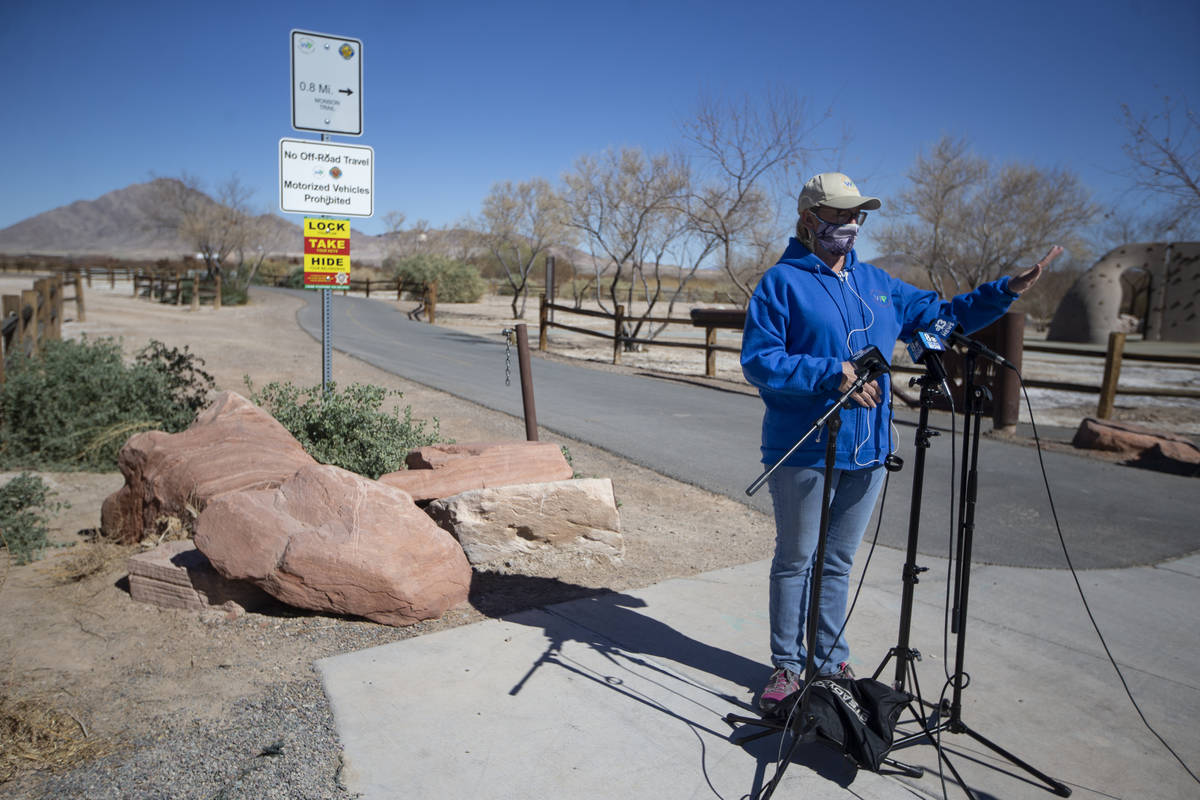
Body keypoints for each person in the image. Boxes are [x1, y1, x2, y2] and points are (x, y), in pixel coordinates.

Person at [740, 172, 1049, 713]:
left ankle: (830, 661)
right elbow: (759, 362)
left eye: (858, 215)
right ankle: (787, 668)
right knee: (797, 559)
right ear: (810, 218)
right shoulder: (781, 283)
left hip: (871, 450)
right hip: (807, 447)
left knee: (837, 561)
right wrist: (830, 372)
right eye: (840, 215)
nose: (852, 224)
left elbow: (943, 318)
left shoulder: (879, 283)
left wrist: (1006, 291)